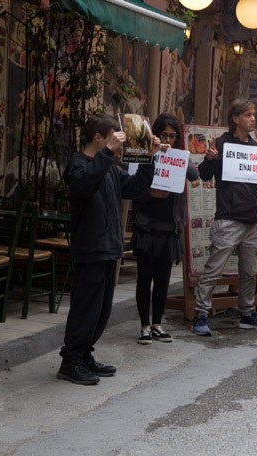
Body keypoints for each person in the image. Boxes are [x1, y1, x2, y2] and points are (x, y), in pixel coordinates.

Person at [57, 113, 158, 385]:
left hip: (109, 247)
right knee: (85, 308)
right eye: (115, 138)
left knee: (101, 310)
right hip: (90, 247)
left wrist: (149, 156)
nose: (119, 144)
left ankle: (84, 354)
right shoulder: (78, 164)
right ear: (99, 137)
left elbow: (137, 189)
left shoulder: (111, 169)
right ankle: (71, 361)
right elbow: (86, 184)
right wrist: (108, 154)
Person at [191, 99, 257, 336]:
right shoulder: (221, 144)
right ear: (235, 118)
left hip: (252, 218)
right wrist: (210, 158)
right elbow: (203, 174)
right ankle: (200, 315)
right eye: (248, 115)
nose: (253, 119)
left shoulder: (255, 147)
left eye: (254, 115)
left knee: (248, 272)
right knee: (214, 269)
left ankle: (247, 313)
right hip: (229, 217)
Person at [132, 113, 199, 345]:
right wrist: (153, 154)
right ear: (155, 136)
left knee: (163, 279)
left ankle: (157, 324)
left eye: (172, 136)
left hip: (170, 228)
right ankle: (143, 325)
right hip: (147, 227)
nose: (168, 140)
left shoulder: (179, 157)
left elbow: (194, 175)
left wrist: (178, 156)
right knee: (145, 278)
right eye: (164, 135)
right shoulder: (144, 157)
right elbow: (133, 190)